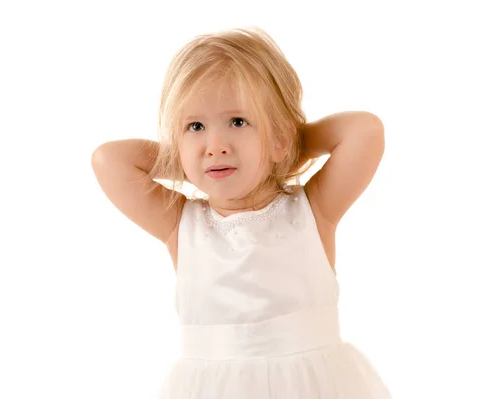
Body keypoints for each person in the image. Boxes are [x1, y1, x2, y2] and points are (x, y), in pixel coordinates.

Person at [91, 26, 391, 398]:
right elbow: (109, 161)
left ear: (280, 136)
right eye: (195, 127)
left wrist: (285, 145)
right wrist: (185, 161)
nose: (215, 146)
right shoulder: (180, 225)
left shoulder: (313, 210)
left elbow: (365, 131)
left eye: (238, 122)